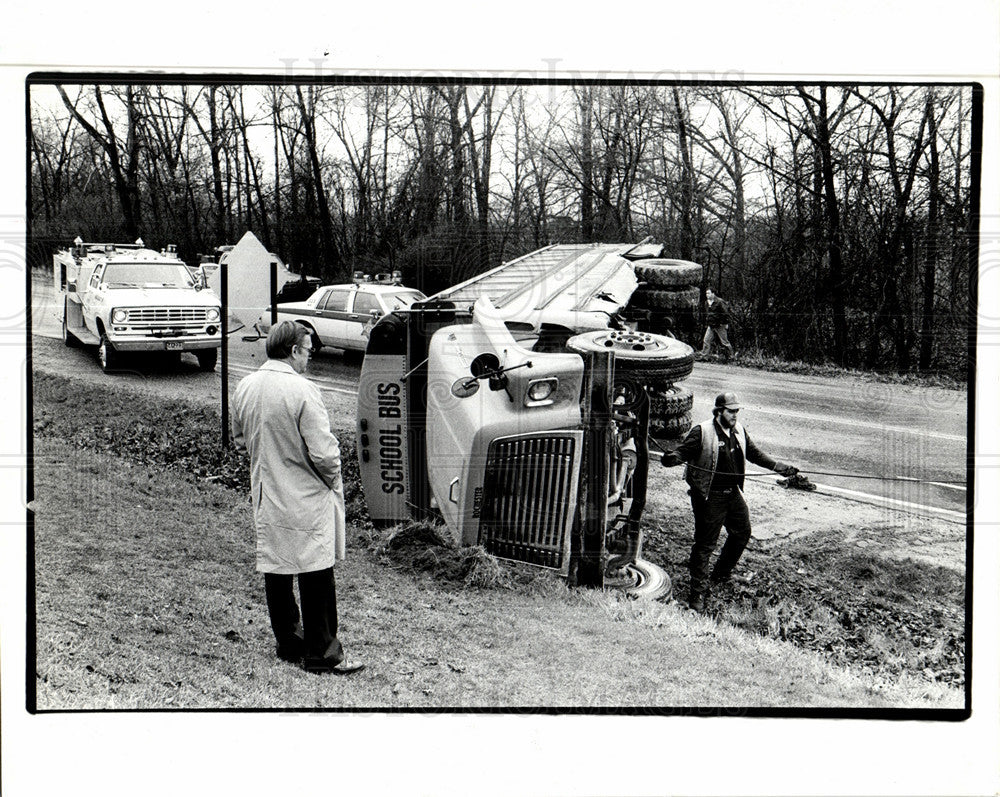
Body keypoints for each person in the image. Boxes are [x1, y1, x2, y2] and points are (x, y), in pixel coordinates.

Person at [231, 320, 364, 674]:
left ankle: (289, 643)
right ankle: (322, 651)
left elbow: (241, 441)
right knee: (316, 570)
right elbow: (324, 453)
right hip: (305, 491)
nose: (309, 358)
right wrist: (332, 477)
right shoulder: (303, 391)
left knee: (276, 567)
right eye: (308, 351)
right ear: (293, 351)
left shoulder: (244, 386)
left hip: (266, 488)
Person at [661, 392, 798, 612]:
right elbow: (681, 453)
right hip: (709, 496)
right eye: (731, 411)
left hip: (733, 494)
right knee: (705, 545)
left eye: (737, 411)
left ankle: (720, 575)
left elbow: (753, 454)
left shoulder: (739, 431)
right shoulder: (702, 432)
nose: (735, 415)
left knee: (742, 533)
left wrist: (779, 467)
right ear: (719, 411)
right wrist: (671, 458)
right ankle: (697, 593)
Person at [700, 288, 734, 361]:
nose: (707, 295)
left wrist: (725, 323)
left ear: (713, 293)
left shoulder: (719, 302)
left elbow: (726, 313)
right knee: (706, 341)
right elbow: (708, 314)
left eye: (708, 293)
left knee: (724, 342)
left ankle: (731, 357)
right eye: (706, 293)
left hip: (720, 325)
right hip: (711, 325)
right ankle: (704, 356)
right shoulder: (707, 303)